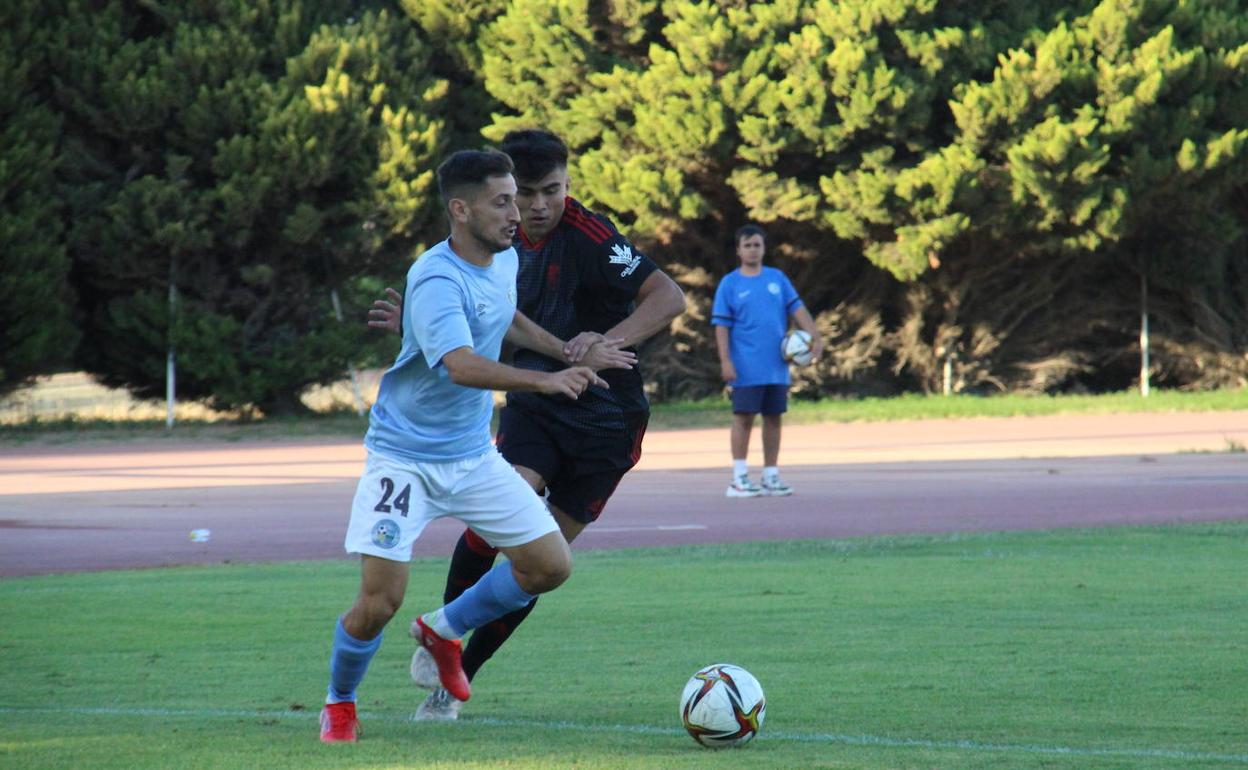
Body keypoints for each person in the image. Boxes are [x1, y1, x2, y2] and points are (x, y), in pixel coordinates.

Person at [319, 149, 637, 743]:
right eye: (502, 201)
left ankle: (444, 628)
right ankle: (339, 703)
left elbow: (506, 318)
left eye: (516, 199)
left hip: (469, 456)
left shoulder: (503, 259)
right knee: (378, 602)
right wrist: (546, 379)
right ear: (460, 209)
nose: (517, 212)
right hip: (404, 459)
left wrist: (563, 349)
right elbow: (462, 366)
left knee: (549, 565)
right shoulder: (435, 275)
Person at [369, 129, 685, 720]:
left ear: (568, 185)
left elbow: (669, 297)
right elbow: (471, 313)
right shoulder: (491, 240)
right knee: (503, 514)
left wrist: (602, 343)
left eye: (553, 191)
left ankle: (454, 664)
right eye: (525, 194)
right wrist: (420, 330)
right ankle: (446, 651)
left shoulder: (592, 237)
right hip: (538, 404)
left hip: (609, 423)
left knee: (537, 565)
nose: (537, 207)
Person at [711, 224, 822, 498]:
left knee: (774, 418)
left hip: (777, 366)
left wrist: (815, 338)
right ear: (738, 250)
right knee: (744, 418)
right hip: (745, 366)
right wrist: (725, 361)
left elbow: (798, 310)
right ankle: (739, 478)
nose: (752, 250)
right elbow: (721, 327)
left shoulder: (777, 279)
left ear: (764, 248)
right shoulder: (730, 284)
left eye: (757, 245)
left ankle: (771, 475)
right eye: (747, 245)